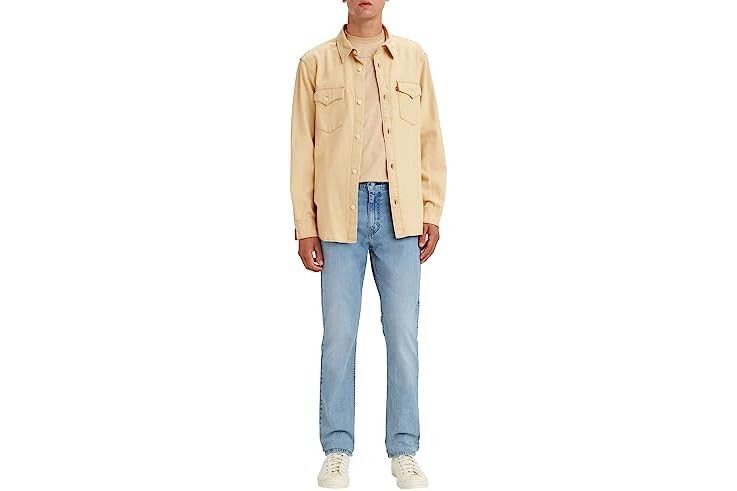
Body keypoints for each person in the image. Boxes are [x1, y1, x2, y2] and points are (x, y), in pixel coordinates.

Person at [290, 0, 446, 487]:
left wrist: (431, 210)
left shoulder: (413, 58)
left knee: (403, 337)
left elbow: (430, 140)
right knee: (339, 336)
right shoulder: (315, 64)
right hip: (339, 216)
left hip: (402, 215)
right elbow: (302, 149)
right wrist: (305, 224)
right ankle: (337, 448)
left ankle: (404, 449)